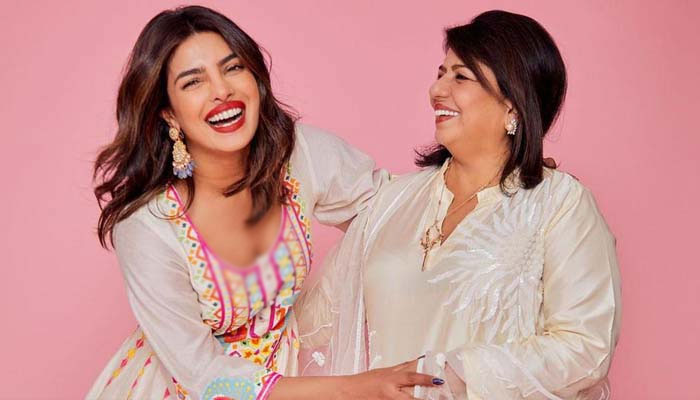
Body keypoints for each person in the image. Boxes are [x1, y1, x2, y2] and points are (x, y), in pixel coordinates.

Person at [87, 5, 440, 400]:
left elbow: (392, 211)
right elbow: (200, 374)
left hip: (291, 377)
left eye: (233, 68)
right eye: (193, 82)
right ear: (169, 113)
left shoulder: (300, 155)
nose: (222, 90)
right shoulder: (147, 226)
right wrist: (356, 388)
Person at [296, 10, 621, 400]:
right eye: (440, 73)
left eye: (461, 77)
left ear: (513, 103)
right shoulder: (393, 201)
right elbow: (311, 321)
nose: (436, 90)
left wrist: (451, 374)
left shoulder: (559, 204)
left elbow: (585, 348)